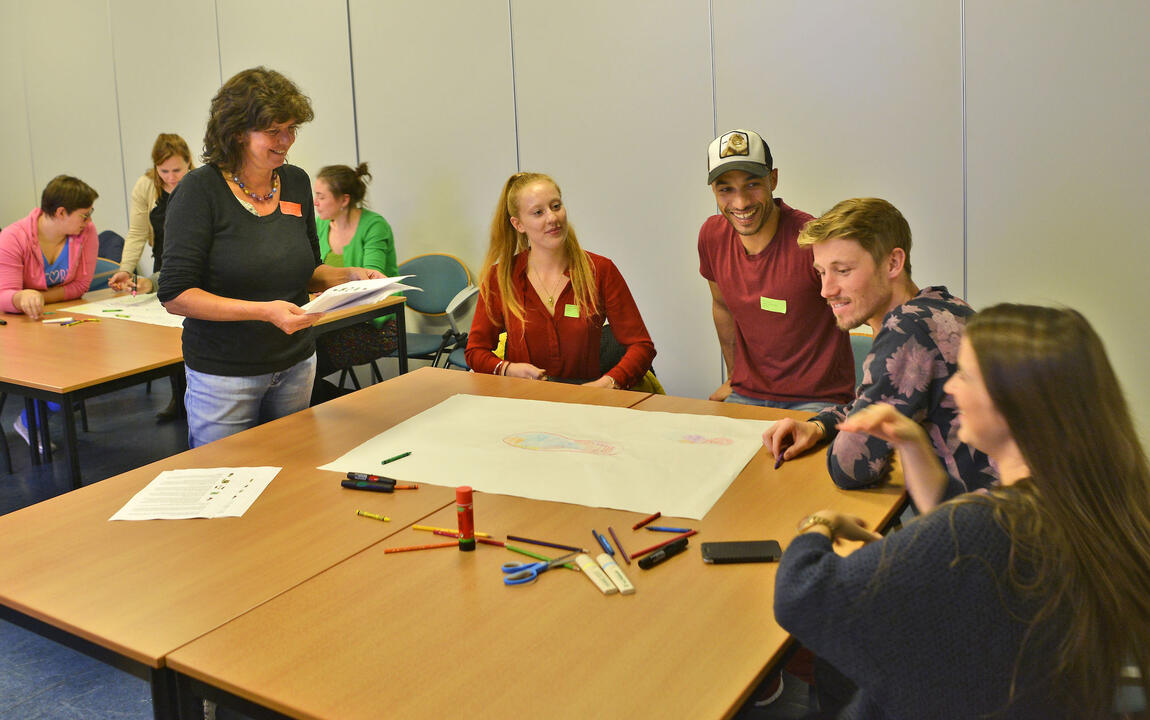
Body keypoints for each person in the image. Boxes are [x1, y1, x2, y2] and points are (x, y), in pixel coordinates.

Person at [774, 304, 1150, 719]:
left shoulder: (986, 527)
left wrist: (819, 523)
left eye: (967, 375)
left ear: (1015, 404)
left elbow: (802, 595)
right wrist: (912, 443)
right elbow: (954, 521)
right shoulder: (1088, 498)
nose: (950, 389)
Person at [158, 67, 382, 448]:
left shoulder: (295, 181)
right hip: (226, 375)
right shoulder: (201, 191)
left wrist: (349, 276)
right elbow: (176, 295)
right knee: (226, 485)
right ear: (237, 132)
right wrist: (264, 311)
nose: (286, 141)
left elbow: (307, 271)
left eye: (291, 129)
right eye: (273, 131)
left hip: (296, 362)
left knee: (292, 481)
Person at [763, 197, 995, 511]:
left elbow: (850, 466)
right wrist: (819, 426)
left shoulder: (906, 330)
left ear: (893, 264)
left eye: (842, 271)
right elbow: (872, 402)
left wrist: (842, 438)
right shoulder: (942, 305)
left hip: (975, 531)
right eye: (821, 273)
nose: (825, 290)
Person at [699, 129, 854, 409]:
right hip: (748, 395)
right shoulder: (712, 236)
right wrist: (735, 377)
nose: (741, 202)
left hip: (818, 400)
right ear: (714, 191)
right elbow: (721, 306)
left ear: (773, 179)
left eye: (752, 184)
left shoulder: (813, 240)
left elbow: (871, 309)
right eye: (726, 189)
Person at [465, 172, 655, 388]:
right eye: (538, 212)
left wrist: (609, 383)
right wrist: (507, 369)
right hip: (524, 403)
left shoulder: (601, 270)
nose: (552, 218)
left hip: (585, 401)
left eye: (556, 206)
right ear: (518, 224)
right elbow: (475, 351)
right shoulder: (500, 277)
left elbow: (642, 346)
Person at [0, 175, 99, 450]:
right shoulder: (12, 237)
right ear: (60, 213)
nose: (88, 221)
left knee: (82, 376)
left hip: (61, 321)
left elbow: (80, 285)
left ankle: (32, 420)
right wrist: (21, 297)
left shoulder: (85, 234)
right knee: (56, 387)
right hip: (23, 328)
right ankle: (28, 422)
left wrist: (39, 297)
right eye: (84, 215)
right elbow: (3, 294)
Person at [109, 133, 194, 422]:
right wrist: (125, 268)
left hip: (194, 263)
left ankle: (192, 395)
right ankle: (177, 397)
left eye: (177, 170)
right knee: (167, 331)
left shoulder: (199, 183)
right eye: (164, 171)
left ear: (189, 163)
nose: (171, 178)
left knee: (189, 327)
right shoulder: (145, 186)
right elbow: (136, 233)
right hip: (163, 260)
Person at [310, 162, 399, 403]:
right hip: (329, 322)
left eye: (321, 196)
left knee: (306, 363)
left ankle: (344, 407)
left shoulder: (374, 225)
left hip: (375, 326)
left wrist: (331, 296)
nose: (315, 203)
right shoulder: (318, 225)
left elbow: (372, 277)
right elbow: (307, 271)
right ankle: (335, 406)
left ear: (343, 200)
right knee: (289, 355)